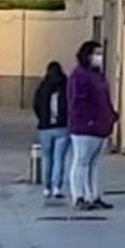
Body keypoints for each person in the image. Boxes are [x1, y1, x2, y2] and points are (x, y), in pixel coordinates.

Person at [67, 41, 117, 211]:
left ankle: (93, 195)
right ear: (86, 55)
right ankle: (78, 196)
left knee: (93, 164)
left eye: (101, 53)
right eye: (96, 53)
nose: (99, 57)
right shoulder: (79, 75)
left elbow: (105, 99)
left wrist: (111, 116)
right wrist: (88, 119)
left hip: (100, 127)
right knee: (81, 161)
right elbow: (77, 101)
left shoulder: (98, 76)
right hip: (84, 128)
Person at [34, 61, 70, 199]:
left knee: (47, 158)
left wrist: (42, 118)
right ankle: (57, 187)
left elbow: (36, 104)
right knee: (59, 158)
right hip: (62, 126)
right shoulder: (65, 85)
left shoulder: (43, 87)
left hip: (45, 128)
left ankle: (46, 187)